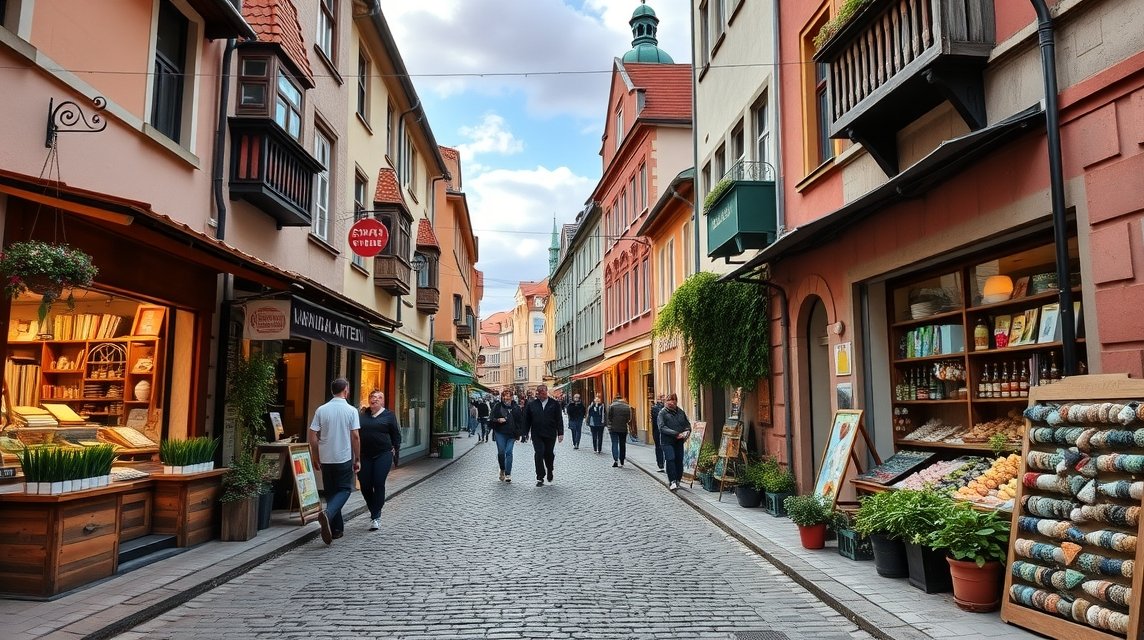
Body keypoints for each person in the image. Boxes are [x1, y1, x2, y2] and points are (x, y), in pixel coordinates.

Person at [307, 378, 360, 545]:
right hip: (343, 457)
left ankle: (337, 530)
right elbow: (355, 436)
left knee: (331, 492)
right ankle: (328, 514)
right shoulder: (351, 411)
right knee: (344, 489)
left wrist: (316, 456)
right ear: (345, 390)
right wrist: (357, 458)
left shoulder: (321, 410)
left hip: (326, 457)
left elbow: (312, 435)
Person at [358, 390, 401, 531]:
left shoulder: (389, 415)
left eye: (379, 397)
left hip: (383, 454)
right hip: (364, 455)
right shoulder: (362, 415)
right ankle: (374, 510)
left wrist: (396, 454)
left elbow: (396, 434)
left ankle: (376, 515)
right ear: (369, 400)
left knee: (378, 482)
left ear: (382, 401)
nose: (375, 399)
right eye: (372, 397)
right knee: (365, 485)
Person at [524, 384, 564, 486]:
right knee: (539, 453)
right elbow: (527, 420)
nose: (542, 394)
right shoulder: (532, 404)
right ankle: (540, 477)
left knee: (549, 454)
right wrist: (525, 433)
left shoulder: (554, 404)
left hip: (550, 433)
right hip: (536, 433)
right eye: (540, 393)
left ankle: (550, 469)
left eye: (544, 392)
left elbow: (559, 419)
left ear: (547, 392)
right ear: (537, 393)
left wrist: (560, 433)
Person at [657, 393, 691, 491]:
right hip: (667, 441)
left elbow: (687, 424)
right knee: (670, 458)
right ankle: (672, 481)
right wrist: (676, 434)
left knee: (679, 460)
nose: (671, 402)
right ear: (666, 402)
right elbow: (661, 427)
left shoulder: (680, 412)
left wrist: (687, 431)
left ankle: (678, 480)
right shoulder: (662, 413)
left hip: (679, 441)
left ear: (676, 401)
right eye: (669, 400)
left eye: (673, 400)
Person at [490, 389, 521, 482]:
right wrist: (497, 420)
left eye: (508, 396)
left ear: (512, 397)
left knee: (509, 452)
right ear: (502, 397)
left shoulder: (516, 407)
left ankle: (508, 473)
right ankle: (502, 469)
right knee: (501, 452)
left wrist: (520, 434)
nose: (506, 398)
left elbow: (520, 421)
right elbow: (491, 418)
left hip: (511, 433)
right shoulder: (497, 406)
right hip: (500, 432)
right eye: (504, 396)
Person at [606, 395, 633, 468]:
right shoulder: (627, 407)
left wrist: (611, 425)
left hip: (613, 428)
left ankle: (615, 460)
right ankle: (622, 460)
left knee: (614, 443)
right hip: (623, 428)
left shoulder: (612, 406)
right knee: (622, 444)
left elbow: (609, 417)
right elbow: (629, 419)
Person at [650, 394, 666, 472]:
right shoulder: (657, 408)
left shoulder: (654, 408)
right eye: (662, 398)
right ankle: (661, 464)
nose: (664, 399)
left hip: (657, 431)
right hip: (660, 430)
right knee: (661, 447)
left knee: (659, 447)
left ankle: (661, 464)